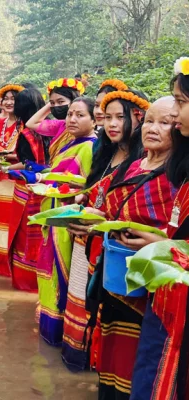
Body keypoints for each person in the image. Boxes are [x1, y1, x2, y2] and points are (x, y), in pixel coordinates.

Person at [79, 94, 172, 399]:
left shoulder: (178, 176)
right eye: (150, 121)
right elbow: (111, 211)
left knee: (138, 365)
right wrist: (92, 219)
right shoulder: (133, 166)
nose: (153, 128)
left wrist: (158, 240)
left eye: (166, 122)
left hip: (149, 288)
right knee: (110, 357)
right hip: (114, 277)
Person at [130, 59, 189, 400]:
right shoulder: (180, 167)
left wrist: (159, 243)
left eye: (180, 103)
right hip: (164, 296)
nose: (175, 117)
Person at [35, 97, 97, 347]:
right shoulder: (70, 142)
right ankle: (48, 325)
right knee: (47, 269)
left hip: (68, 216)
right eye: (70, 114)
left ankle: (60, 328)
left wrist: (70, 191)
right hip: (52, 211)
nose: (72, 119)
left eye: (80, 115)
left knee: (63, 274)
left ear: (95, 119)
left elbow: (90, 186)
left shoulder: (92, 147)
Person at [4, 87, 47, 292]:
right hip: (52, 189)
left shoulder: (27, 133)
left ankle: (25, 282)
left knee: (23, 235)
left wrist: (7, 169)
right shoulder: (54, 130)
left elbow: (27, 164)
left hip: (28, 189)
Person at [0, 84, 24, 277]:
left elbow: (29, 157)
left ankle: (12, 267)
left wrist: (8, 157)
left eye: (13, 98)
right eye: (6, 98)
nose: (9, 102)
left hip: (16, 178)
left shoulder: (25, 126)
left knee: (12, 222)